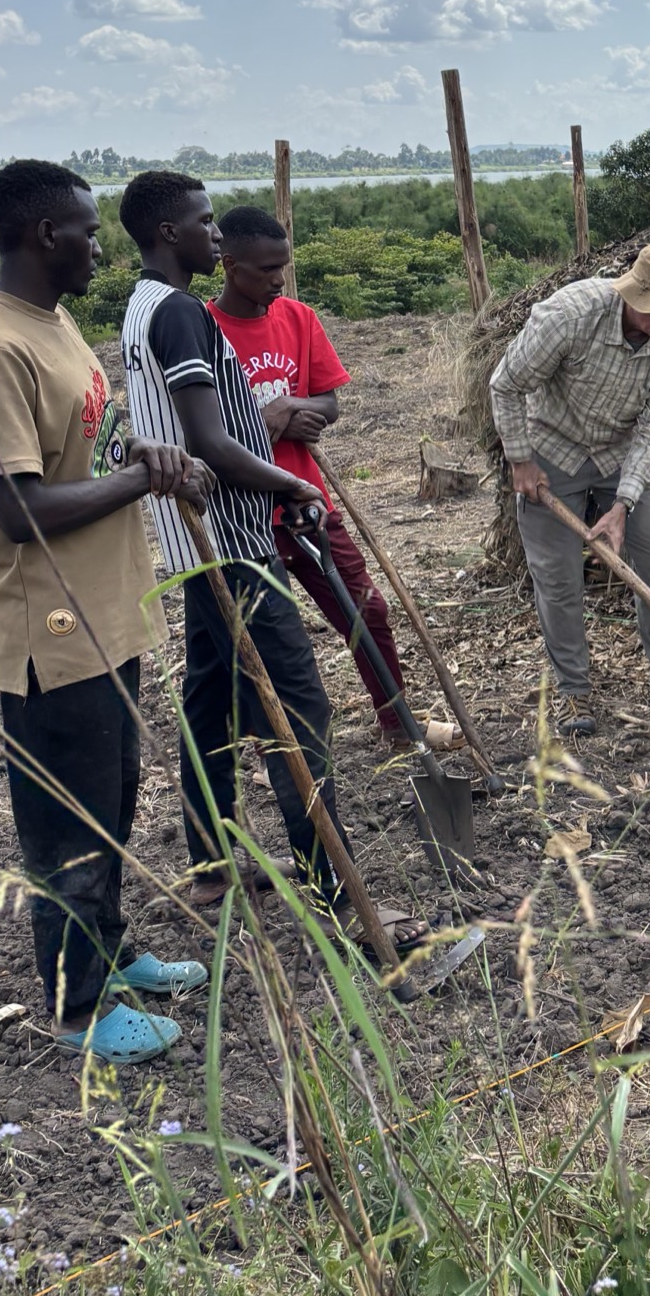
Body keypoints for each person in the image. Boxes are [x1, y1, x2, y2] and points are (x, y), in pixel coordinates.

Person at [119, 170, 431, 951]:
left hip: (196, 544)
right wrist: (291, 482)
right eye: (204, 222)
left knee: (210, 702)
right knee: (298, 710)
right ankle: (339, 896)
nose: (214, 234)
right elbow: (208, 440)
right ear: (169, 233)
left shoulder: (141, 305)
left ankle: (211, 862)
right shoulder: (182, 312)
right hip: (236, 544)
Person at [0, 160, 214, 1064]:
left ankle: (109, 949)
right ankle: (78, 1006)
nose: (103, 248)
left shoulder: (54, 322)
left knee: (113, 800)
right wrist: (143, 478)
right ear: (45, 234)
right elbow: (18, 510)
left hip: (105, 607)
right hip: (52, 628)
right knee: (69, 822)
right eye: (91, 233)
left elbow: (80, 449)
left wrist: (138, 454)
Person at [489, 242, 650, 738]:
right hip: (552, 448)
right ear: (635, 294)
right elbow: (506, 384)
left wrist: (624, 503)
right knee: (558, 578)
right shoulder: (571, 316)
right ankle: (573, 690)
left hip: (622, 454)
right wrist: (520, 460)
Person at [205, 205, 409, 740]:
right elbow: (205, 432)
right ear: (230, 264)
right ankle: (273, 744)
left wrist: (290, 406)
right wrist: (265, 421)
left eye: (283, 267)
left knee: (366, 609)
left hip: (308, 502)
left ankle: (397, 721)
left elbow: (328, 404)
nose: (279, 280)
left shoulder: (299, 318)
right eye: (267, 269)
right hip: (244, 515)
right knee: (266, 639)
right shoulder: (203, 329)